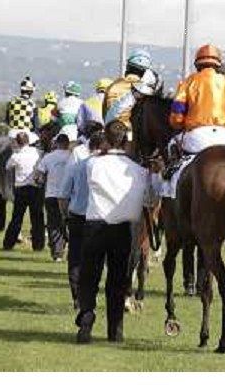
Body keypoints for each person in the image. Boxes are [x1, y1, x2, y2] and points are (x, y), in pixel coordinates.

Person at [76, 121, 150, 344]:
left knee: (89, 277)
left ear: (106, 139)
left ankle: (86, 318)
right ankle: (115, 331)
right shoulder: (139, 170)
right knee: (118, 281)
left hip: (95, 224)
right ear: (126, 141)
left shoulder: (92, 164)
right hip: (124, 229)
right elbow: (150, 198)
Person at [164, 44, 225, 179]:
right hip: (223, 137)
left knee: (172, 146)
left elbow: (177, 113)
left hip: (196, 137)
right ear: (218, 65)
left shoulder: (189, 81)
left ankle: (169, 188)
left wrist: (178, 124)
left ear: (197, 64)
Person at [61, 130, 109, 308]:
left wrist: (65, 215)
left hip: (77, 216)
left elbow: (63, 195)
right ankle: (91, 294)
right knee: (97, 259)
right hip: (99, 218)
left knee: (75, 258)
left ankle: (77, 296)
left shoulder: (77, 166)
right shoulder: (108, 167)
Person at [3, 131, 45, 251]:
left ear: (17, 142)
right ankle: (38, 245)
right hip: (36, 188)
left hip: (21, 189)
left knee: (17, 218)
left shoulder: (16, 155)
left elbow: (7, 166)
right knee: (37, 218)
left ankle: (8, 243)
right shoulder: (38, 153)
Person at [35, 133, 71, 261]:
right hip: (68, 196)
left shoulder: (48, 157)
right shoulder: (72, 157)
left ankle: (57, 254)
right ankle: (69, 246)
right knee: (68, 223)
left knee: (53, 223)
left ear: (56, 143)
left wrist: (41, 181)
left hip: (51, 194)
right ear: (67, 144)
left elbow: (38, 176)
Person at [103, 49, 153, 136]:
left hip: (112, 133)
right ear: (145, 72)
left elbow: (105, 112)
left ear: (128, 67)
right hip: (135, 136)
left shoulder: (112, 85)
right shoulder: (148, 91)